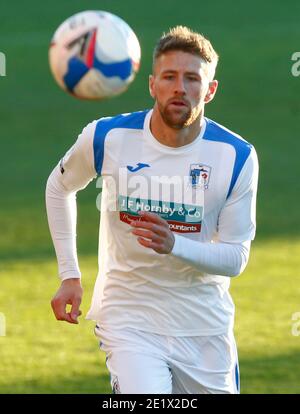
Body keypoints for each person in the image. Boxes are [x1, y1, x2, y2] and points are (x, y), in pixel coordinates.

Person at [46, 26, 259, 394]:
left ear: (209, 90)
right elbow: (59, 186)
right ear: (152, 84)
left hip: (203, 328)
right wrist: (70, 274)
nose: (180, 88)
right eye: (170, 77)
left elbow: (236, 257)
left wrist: (174, 243)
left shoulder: (236, 156)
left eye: (192, 78)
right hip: (129, 318)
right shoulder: (107, 138)